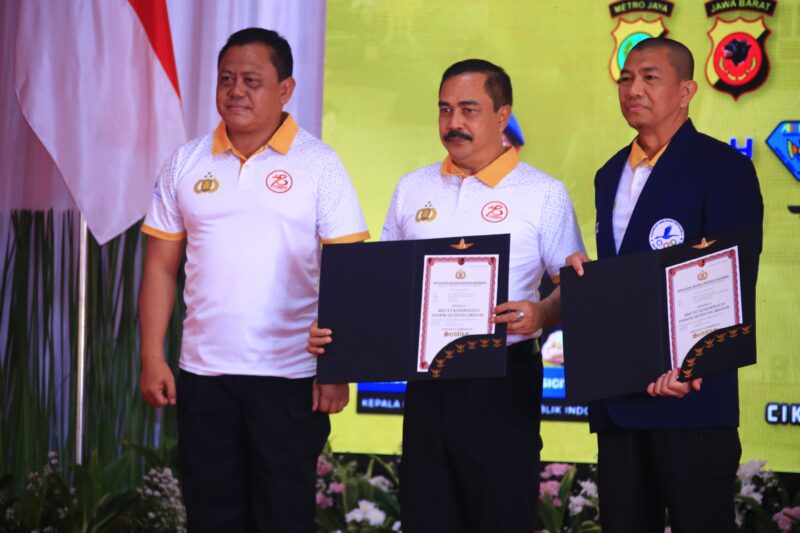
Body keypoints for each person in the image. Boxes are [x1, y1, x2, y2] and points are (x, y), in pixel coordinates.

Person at [309, 59, 584, 532]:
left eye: (469, 109)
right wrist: (338, 340)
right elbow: (380, 287)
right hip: (427, 385)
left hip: (503, 382)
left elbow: (572, 288)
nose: (453, 123)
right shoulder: (412, 188)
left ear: (502, 115)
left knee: (501, 516)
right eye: (445, 109)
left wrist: (540, 312)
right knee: (427, 515)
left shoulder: (544, 193)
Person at [138, 27, 368, 532]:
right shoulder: (186, 161)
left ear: (285, 89)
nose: (236, 91)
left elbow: (347, 269)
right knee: (211, 516)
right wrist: (153, 356)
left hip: (290, 379)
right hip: (203, 378)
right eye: (226, 80)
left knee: (281, 518)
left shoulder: (319, 164)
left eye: (251, 80)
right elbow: (159, 266)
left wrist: (337, 366)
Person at [567, 38, 763, 532]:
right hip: (620, 399)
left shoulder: (724, 168)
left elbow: (732, 278)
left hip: (690, 399)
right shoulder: (609, 173)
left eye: (650, 77)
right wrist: (583, 281)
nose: (633, 89)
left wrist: (692, 364)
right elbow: (623, 277)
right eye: (626, 78)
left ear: (686, 91)